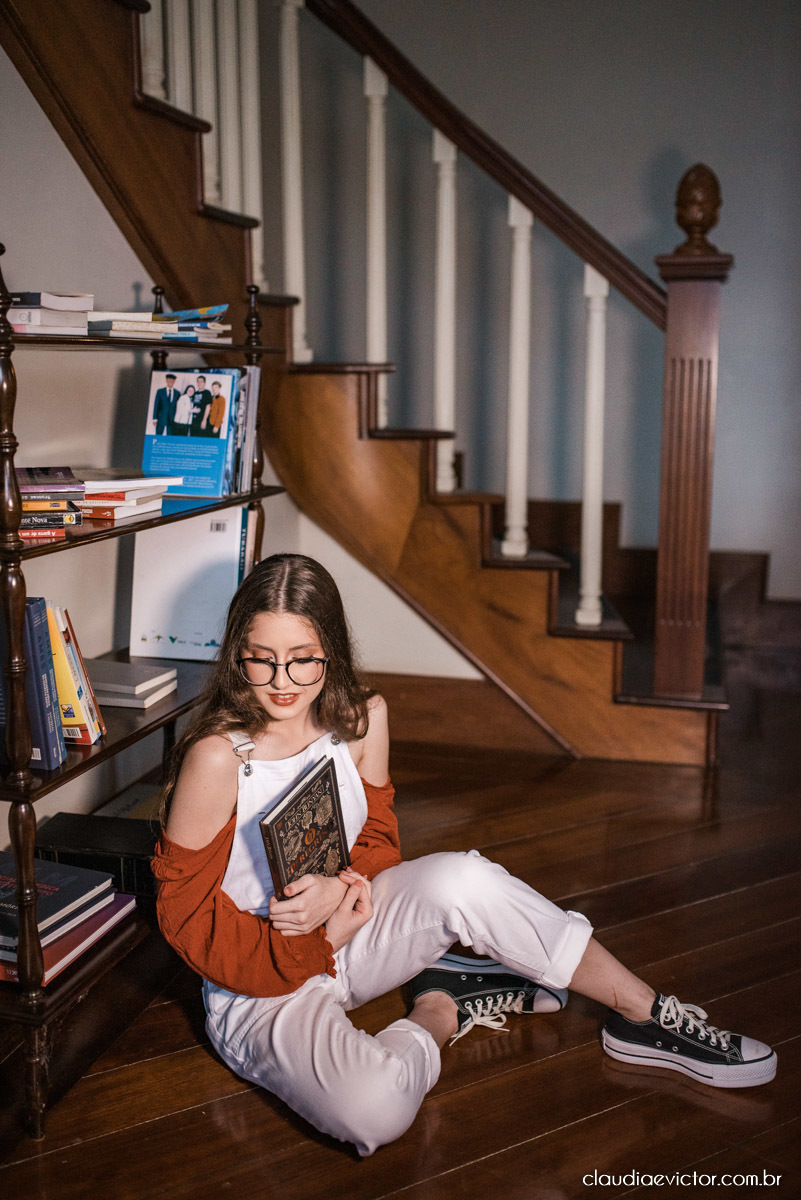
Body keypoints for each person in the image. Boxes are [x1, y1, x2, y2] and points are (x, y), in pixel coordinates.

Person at [152, 554, 777, 1159]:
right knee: (374, 1110)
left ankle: (645, 1016)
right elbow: (185, 917)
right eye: (260, 660)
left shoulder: (361, 717)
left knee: (465, 878)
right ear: (237, 655)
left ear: (331, 651)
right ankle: (442, 1004)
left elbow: (377, 841)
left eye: (302, 660)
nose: (282, 682)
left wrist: (339, 891)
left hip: (349, 933)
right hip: (258, 986)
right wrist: (316, 942)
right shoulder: (218, 757)